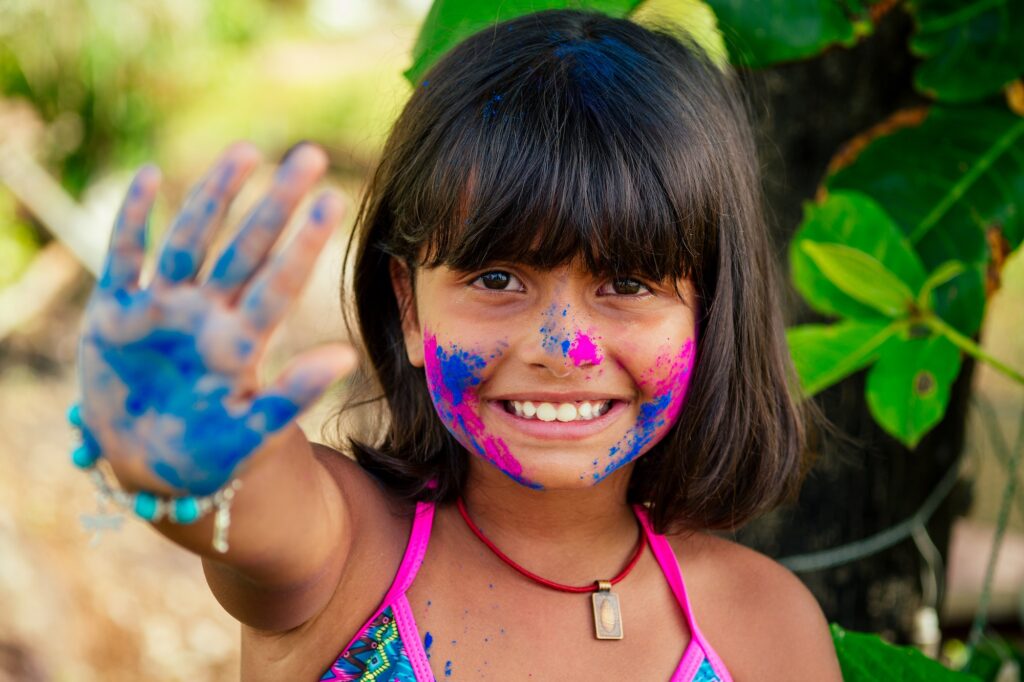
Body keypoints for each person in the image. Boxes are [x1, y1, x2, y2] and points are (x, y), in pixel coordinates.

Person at [71, 9, 842, 681]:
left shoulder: (762, 627)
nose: (562, 347)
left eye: (630, 284)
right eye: (499, 278)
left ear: (709, 311)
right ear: (409, 308)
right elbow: (252, 504)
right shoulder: (343, 557)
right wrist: (185, 449)